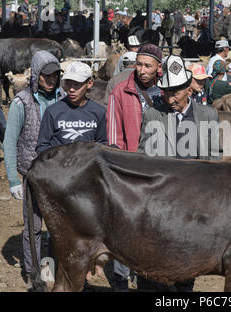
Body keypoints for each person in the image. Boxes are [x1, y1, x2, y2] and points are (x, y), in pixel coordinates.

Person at [137, 55, 220, 292]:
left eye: (175, 92)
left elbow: (214, 159)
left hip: (194, 201)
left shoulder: (208, 115)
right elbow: (143, 158)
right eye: (166, 92)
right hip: (160, 200)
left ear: (188, 90)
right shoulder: (154, 115)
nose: (169, 97)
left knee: (188, 262)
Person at [3, 50, 65, 290]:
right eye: (46, 75)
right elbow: (9, 141)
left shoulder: (62, 97)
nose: (51, 80)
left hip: (59, 175)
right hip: (32, 174)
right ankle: (33, 272)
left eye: (55, 75)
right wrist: (13, 179)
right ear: (37, 74)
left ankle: (49, 267)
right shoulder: (22, 102)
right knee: (33, 226)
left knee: (57, 226)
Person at [106, 44, 163, 291]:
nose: (141, 70)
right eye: (138, 64)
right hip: (130, 169)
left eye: (147, 65)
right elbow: (113, 135)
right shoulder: (120, 91)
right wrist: (119, 167)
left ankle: (149, 274)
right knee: (124, 225)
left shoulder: (166, 91)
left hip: (160, 171)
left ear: (158, 68)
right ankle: (121, 277)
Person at [36, 61, 107, 154]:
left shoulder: (99, 112)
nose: (71, 89)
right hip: (59, 166)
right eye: (68, 84)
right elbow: (42, 146)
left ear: (89, 83)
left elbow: (103, 144)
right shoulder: (52, 111)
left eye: (77, 84)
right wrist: (58, 157)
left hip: (86, 166)